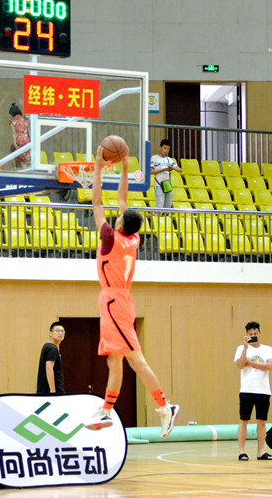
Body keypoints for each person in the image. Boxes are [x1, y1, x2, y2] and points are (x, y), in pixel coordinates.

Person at [84, 139, 179, 438]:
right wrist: (125, 168)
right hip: (117, 299)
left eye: (119, 216)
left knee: (136, 360)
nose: (117, 214)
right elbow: (123, 200)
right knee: (114, 360)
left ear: (120, 224)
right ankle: (106, 412)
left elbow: (97, 202)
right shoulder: (132, 238)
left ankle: (165, 406)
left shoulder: (110, 238)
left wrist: (98, 166)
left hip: (115, 301)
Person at [234, 321, 272, 461]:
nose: (253, 336)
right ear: (247, 335)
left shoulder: (267, 349)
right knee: (244, 420)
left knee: (262, 422)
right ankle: (242, 451)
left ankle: (261, 451)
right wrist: (245, 348)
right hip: (247, 389)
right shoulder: (241, 348)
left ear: (260, 333)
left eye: (255, 333)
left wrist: (251, 363)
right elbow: (240, 365)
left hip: (263, 390)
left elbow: (269, 366)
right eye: (250, 334)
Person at [149, 139, 182, 208]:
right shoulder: (154, 158)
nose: (166, 150)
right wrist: (164, 169)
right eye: (164, 148)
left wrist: (172, 168)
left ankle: (166, 215)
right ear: (160, 147)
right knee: (159, 205)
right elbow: (151, 171)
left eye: (168, 149)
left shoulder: (169, 159)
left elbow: (180, 170)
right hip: (159, 184)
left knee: (168, 206)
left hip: (168, 185)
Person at [36, 322, 65, 395]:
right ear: (50, 333)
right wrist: (52, 391)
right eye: (57, 331)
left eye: (62, 331)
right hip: (51, 393)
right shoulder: (52, 349)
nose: (60, 333)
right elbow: (49, 368)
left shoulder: (48, 347)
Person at [8, 103, 30, 170]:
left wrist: (14, 143)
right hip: (25, 140)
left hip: (18, 139)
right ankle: (25, 171)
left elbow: (14, 133)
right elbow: (28, 132)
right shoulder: (25, 121)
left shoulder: (13, 121)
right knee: (23, 160)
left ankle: (14, 168)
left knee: (11, 154)